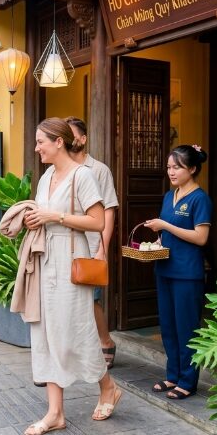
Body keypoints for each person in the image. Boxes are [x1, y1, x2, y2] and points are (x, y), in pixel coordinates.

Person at [20, 118, 120, 435]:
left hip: (71, 258)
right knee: (46, 331)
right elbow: (44, 215)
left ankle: (107, 387)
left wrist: (56, 216)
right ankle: (55, 413)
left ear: (59, 142)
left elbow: (97, 221)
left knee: (77, 330)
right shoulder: (46, 177)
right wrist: (34, 219)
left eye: (41, 142)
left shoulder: (83, 175)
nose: (37, 148)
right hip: (45, 259)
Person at [144, 145, 212, 401]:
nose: (171, 172)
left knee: (187, 328)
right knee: (169, 326)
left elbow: (201, 237)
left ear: (192, 169)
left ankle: (188, 381)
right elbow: (168, 233)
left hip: (187, 273)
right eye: (169, 167)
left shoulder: (200, 199)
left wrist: (165, 225)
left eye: (177, 167)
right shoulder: (168, 196)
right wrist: (159, 240)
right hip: (164, 268)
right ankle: (173, 375)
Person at [65, 117, 119, 369]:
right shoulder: (60, 168)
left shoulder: (99, 169)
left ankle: (105, 341)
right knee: (70, 298)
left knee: (91, 298)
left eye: (72, 135)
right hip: (65, 243)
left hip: (90, 243)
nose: (68, 139)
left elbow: (109, 210)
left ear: (83, 139)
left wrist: (102, 248)